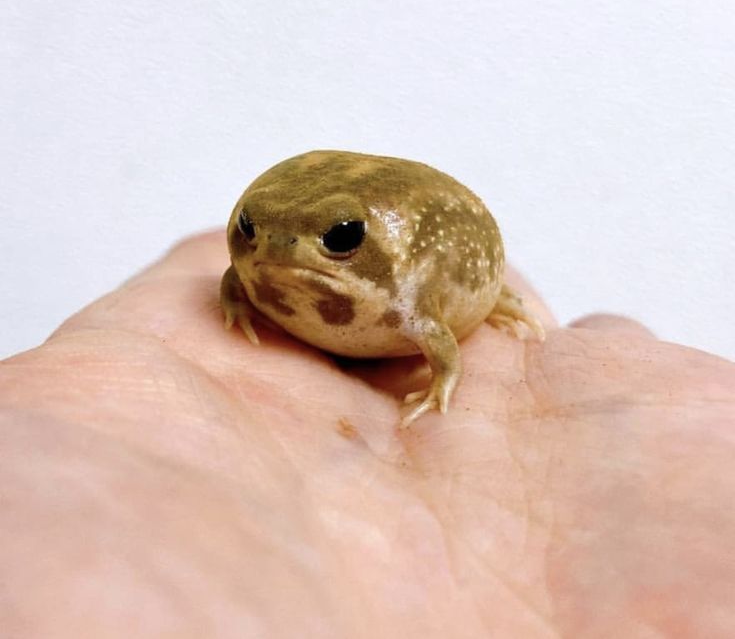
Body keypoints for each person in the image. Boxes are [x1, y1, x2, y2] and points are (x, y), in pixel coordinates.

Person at [1, 231, 733, 637]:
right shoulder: (248, 270)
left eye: (339, 240)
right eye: (252, 232)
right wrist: (238, 294)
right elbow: (236, 275)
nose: (275, 250)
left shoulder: (411, 304)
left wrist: (440, 382)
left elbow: (437, 338)